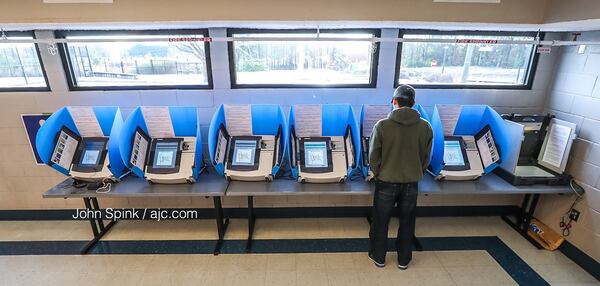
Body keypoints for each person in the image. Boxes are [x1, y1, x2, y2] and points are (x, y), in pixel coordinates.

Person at [367, 84, 433, 270]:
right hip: (411, 183)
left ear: (394, 101)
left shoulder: (382, 125)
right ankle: (404, 260)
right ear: (414, 103)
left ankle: (379, 257)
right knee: (407, 221)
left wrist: (380, 173)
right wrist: (415, 171)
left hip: (386, 181)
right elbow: (426, 158)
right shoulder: (425, 127)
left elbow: (373, 157)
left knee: (381, 220)